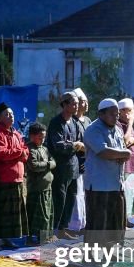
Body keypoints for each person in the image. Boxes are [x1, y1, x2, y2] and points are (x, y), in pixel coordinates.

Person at [82, 99, 132, 246]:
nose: (116, 117)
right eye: (112, 114)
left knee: (115, 221)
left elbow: (119, 153)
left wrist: (122, 155)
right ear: (101, 114)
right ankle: (93, 254)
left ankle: (111, 250)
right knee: (98, 223)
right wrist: (125, 153)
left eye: (117, 114)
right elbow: (104, 152)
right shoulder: (93, 130)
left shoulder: (117, 129)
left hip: (116, 183)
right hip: (99, 185)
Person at [46, 91, 86, 239]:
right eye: (73, 103)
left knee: (71, 198)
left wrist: (80, 147)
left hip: (73, 167)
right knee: (59, 199)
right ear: (64, 104)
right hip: (60, 167)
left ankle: (63, 228)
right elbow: (58, 145)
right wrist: (75, 145)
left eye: (77, 103)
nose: (76, 106)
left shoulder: (75, 123)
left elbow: (83, 142)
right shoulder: (56, 123)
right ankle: (54, 230)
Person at [0, 103, 29, 248]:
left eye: (12, 113)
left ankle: (9, 238)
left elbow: (26, 152)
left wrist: (19, 152)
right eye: (7, 114)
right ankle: (0, 239)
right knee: (4, 211)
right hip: (4, 178)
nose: (11, 116)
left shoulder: (16, 133)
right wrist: (19, 152)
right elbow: (3, 154)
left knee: (14, 211)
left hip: (18, 177)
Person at [25, 123, 56, 245]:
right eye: (40, 137)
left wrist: (48, 163)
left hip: (47, 188)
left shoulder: (45, 149)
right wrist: (48, 164)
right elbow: (34, 166)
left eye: (44, 137)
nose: (42, 140)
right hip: (36, 189)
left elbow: (54, 161)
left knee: (47, 214)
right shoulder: (29, 149)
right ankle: (32, 238)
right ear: (32, 136)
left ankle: (45, 236)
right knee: (36, 215)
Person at [68, 89, 91, 234]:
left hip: (89, 161)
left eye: (86, 102)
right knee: (77, 195)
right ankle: (75, 225)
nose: (85, 104)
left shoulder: (88, 120)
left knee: (86, 194)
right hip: (77, 161)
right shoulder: (72, 122)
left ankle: (85, 222)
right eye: (83, 102)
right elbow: (75, 144)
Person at [118, 98, 134, 228]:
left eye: (130, 111)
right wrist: (131, 123)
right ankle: (122, 220)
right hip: (125, 165)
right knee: (124, 193)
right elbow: (126, 141)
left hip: (133, 163)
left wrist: (133, 139)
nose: (127, 115)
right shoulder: (119, 125)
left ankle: (127, 218)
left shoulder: (127, 125)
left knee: (131, 192)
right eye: (124, 111)